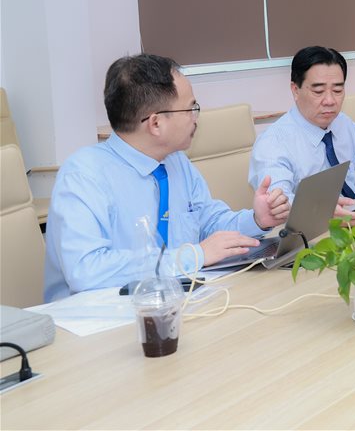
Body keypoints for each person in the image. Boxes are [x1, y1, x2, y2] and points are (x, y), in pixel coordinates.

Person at [43, 55, 290, 302]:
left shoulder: (175, 161)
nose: (196, 118)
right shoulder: (83, 176)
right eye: (191, 108)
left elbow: (209, 222)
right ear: (156, 123)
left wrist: (256, 220)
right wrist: (193, 257)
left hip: (177, 302)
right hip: (101, 315)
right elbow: (86, 270)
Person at [249, 46, 355, 218]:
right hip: (311, 229)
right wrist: (321, 208)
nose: (330, 101)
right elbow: (279, 202)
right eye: (318, 91)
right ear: (295, 90)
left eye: (337, 90)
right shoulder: (273, 143)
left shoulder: (342, 123)